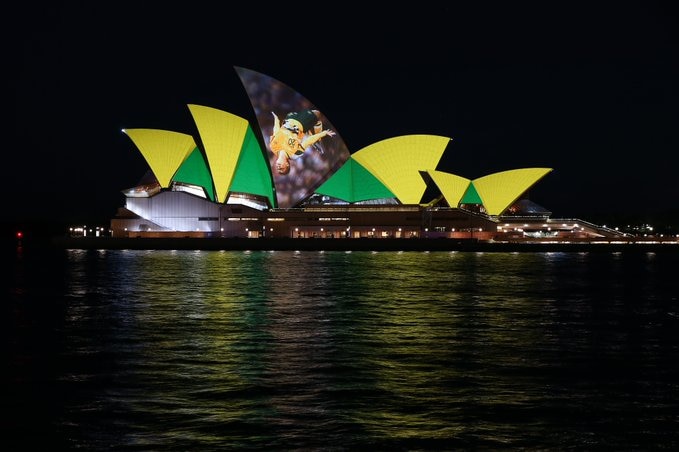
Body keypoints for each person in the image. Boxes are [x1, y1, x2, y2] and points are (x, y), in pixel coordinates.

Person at [269, 109, 336, 175]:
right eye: (281, 169)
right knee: (317, 114)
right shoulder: (294, 155)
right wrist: (324, 133)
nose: (278, 167)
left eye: (278, 169)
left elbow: (276, 131)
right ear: (287, 164)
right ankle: (317, 139)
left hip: (289, 119)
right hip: (301, 123)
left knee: (295, 112)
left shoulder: (272, 147)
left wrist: (276, 119)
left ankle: (314, 127)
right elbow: (307, 141)